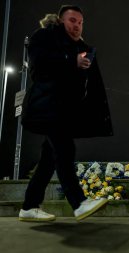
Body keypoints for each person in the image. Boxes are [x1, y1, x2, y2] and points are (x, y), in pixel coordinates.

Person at [19, 5, 113, 222]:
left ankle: (29, 206)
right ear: (61, 21)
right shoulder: (44, 36)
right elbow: (38, 66)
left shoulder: (82, 47)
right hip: (46, 106)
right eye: (72, 20)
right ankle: (79, 203)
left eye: (80, 22)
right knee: (64, 149)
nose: (77, 26)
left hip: (64, 111)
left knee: (48, 159)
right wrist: (72, 61)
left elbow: (85, 84)